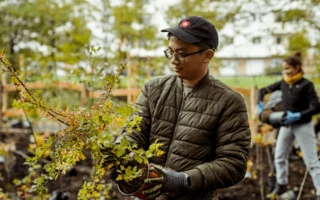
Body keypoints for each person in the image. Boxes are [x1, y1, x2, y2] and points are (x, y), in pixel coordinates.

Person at [106, 16, 251, 200]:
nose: (173, 60)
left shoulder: (228, 102)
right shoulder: (154, 89)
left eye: (182, 54)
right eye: (170, 52)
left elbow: (234, 163)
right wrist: (121, 149)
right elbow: (135, 132)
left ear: (207, 55)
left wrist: (184, 180)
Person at [257, 51, 320, 200]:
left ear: (297, 67)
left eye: (288, 68)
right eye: (284, 69)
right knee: (279, 156)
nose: (285, 72)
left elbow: (317, 107)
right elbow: (262, 90)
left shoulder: (306, 85)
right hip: (286, 125)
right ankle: (281, 186)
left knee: (310, 160)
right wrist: (260, 104)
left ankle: (319, 191)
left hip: (303, 125)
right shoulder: (284, 83)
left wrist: (299, 115)